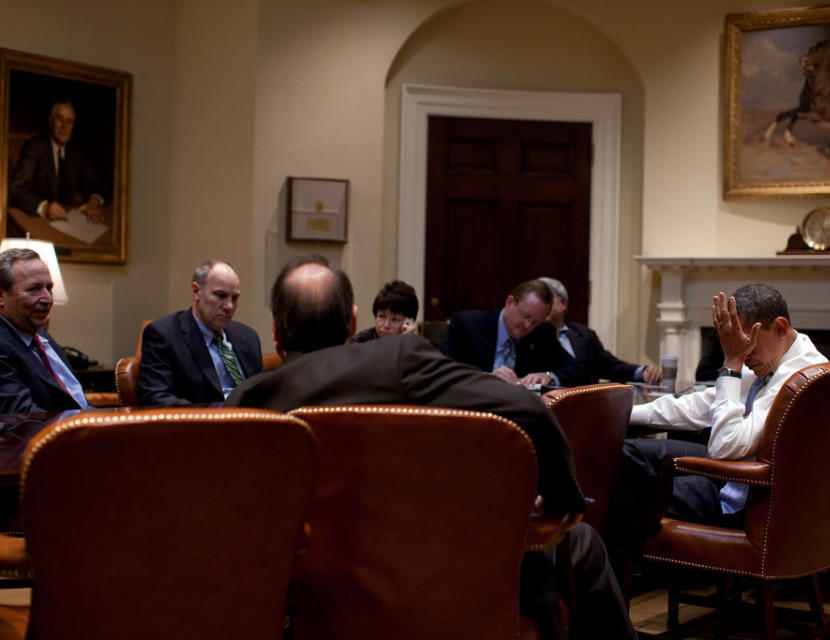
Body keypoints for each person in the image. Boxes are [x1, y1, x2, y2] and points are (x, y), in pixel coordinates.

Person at [226, 255, 635, 640]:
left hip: (309, 598)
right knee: (582, 541)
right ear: (353, 323)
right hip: (435, 572)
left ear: (276, 331)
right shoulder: (397, 358)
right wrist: (564, 501)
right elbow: (529, 410)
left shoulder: (246, 403)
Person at [605, 283, 827, 557]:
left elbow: (724, 447)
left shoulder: (801, 377)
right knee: (628, 454)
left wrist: (732, 362)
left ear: (780, 327)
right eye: (737, 348)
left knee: (629, 486)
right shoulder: (779, 355)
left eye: (748, 347)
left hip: (748, 496)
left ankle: (614, 569)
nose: (745, 359)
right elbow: (704, 403)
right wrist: (618, 412)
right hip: (738, 471)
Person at [138, 260, 263, 406]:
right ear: (196, 291)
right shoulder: (163, 334)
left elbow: (264, 390)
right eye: (220, 295)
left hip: (254, 423)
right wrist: (217, 414)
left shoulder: (247, 337)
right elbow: (155, 398)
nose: (229, 306)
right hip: (203, 424)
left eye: (234, 298)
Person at [437, 279, 586, 388]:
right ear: (509, 302)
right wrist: (486, 377)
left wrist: (548, 376)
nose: (528, 326)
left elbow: (578, 370)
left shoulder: (542, 332)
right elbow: (441, 368)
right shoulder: (468, 324)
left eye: (535, 322)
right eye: (525, 316)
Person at [0, 248, 91, 413]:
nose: (48, 299)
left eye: (49, 288)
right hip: (52, 435)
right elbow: (21, 416)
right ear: (1, 296)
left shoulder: (41, 337)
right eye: (34, 289)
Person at [539, 276, 661, 384]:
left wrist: (643, 371)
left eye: (547, 299)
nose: (541, 305)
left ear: (563, 303)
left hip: (587, 402)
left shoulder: (584, 334)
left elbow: (610, 366)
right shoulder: (527, 336)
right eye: (539, 300)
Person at [9, 100, 106, 224]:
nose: (64, 126)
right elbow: (16, 189)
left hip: (69, 222)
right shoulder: (34, 147)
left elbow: (98, 185)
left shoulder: (76, 151)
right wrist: (45, 207)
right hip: (39, 222)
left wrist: (94, 202)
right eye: (59, 119)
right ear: (51, 121)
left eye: (69, 122)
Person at [351, 279, 418, 343]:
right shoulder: (361, 342)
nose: (386, 325)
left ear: (408, 323)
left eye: (394, 319)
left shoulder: (416, 349)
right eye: (381, 316)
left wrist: (408, 343)